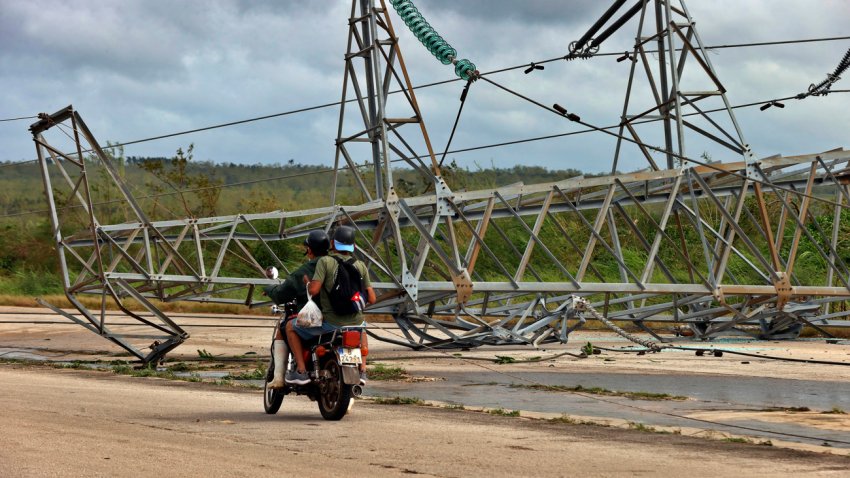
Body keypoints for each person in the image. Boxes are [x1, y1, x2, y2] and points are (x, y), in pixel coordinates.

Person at [285, 225, 376, 386]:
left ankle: (301, 371)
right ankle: (362, 370)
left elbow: (314, 290)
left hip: (331, 323)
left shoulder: (325, 262)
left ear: (332, 244)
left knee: (290, 327)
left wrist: (307, 283)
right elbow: (372, 298)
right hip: (355, 322)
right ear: (353, 246)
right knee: (361, 328)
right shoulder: (361, 265)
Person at [263, 230, 330, 389]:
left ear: (310, 250)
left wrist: (270, 289)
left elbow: (281, 294)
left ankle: (292, 373)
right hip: (341, 318)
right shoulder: (337, 264)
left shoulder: (306, 270)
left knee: (286, 327)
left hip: (318, 319)